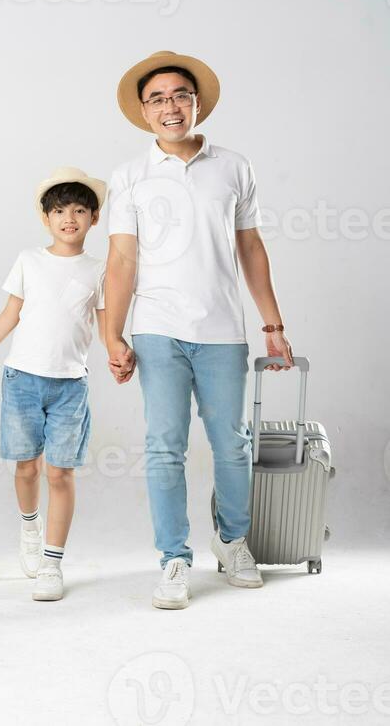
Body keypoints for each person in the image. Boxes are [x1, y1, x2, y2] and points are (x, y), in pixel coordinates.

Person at [104, 50, 293, 610]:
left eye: (179, 96)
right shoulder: (129, 176)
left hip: (222, 330)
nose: (170, 106)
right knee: (165, 446)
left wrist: (273, 325)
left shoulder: (234, 167)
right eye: (157, 98)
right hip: (157, 327)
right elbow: (120, 262)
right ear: (143, 111)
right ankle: (173, 559)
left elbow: (251, 248)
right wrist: (113, 334)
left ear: (197, 103)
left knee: (231, 444)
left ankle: (233, 541)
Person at [0, 168, 106, 601]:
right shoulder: (29, 260)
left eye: (79, 210)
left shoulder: (100, 270)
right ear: (46, 218)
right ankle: (30, 526)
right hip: (22, 379)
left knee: (60, 473)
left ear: (93, 218)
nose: (69, 218)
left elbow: (106, 323)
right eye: (60, 210)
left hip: (70, 385)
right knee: (26, 467)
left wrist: (120, 353)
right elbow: (10, 314)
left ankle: (52, 561)